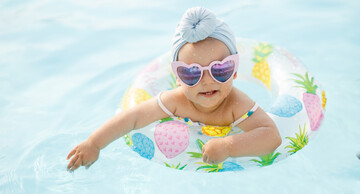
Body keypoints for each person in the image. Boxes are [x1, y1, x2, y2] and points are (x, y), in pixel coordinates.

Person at [66, 7, 282, 172]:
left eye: (220, 70)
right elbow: (131, 118)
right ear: (177, 78)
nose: (207, 82)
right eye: (192, 73)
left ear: (235, 71)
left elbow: (271, 136)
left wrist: (228, 146)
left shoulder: (237, 105)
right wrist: (93, 143)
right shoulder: (175, 101)